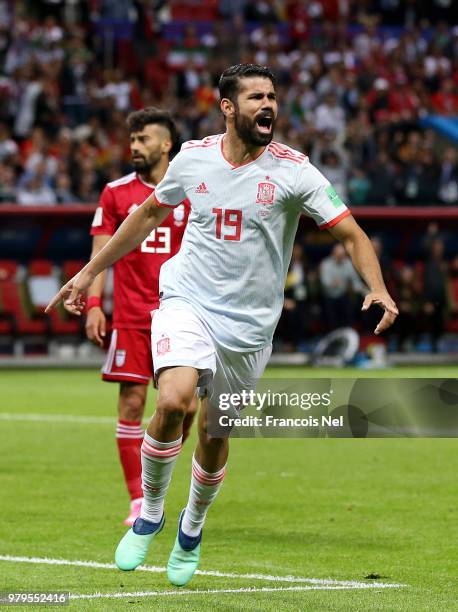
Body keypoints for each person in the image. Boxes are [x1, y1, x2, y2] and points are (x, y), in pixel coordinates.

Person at [46, 64, 398, 587]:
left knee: (214, 433)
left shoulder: (295, 171)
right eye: (256, 96)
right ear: (228, 107)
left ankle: (192, 527)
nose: (269, 105)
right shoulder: (193, 158)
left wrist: (377, 285)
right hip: (187, 300)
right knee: (171, 400)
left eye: (273, 96)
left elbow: (350, 234)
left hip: (250, 327)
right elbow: (144, 218)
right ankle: (151, 510)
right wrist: (90, 272)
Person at [86, 107, 196, 526]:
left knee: (184, 410)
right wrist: (95, 304)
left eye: (144, 139)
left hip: (182, 313)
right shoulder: (115, 193)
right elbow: (100, 251)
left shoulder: (191, 189)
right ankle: (138, 500)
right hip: (132, 315)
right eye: (132, 140)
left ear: (166, 145)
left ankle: (157, 471)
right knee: (131, 403)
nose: (134, 147)